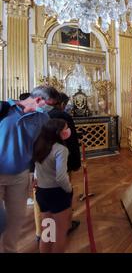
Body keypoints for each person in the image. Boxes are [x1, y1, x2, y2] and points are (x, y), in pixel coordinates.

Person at [0, 86, 60, 253]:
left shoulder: (43, 117)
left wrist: (38, 172)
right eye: (49, 104)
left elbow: (42, 147)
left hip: (20, 175)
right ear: (39, 100)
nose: (49, 108)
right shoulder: (4, 108)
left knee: (15, 220)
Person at [33, 119, 73, 253]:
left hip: (42, 192)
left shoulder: (39, 146)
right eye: (65, 128)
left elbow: (36, 171)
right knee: (60, 233)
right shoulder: (61, 149)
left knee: (47, 232)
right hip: (58, 193)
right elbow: (61, 177)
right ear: (58, 132)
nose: (68, 130)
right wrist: (69, 189)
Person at [48, 93, 81, 234]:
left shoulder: (45, 116)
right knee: (64, 194)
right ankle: (65, 226)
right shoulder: (65, 117)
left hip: (43, 190)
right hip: (64, 161)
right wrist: (75, 162)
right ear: (62, 104)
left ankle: (46, 232)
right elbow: (72, 141)